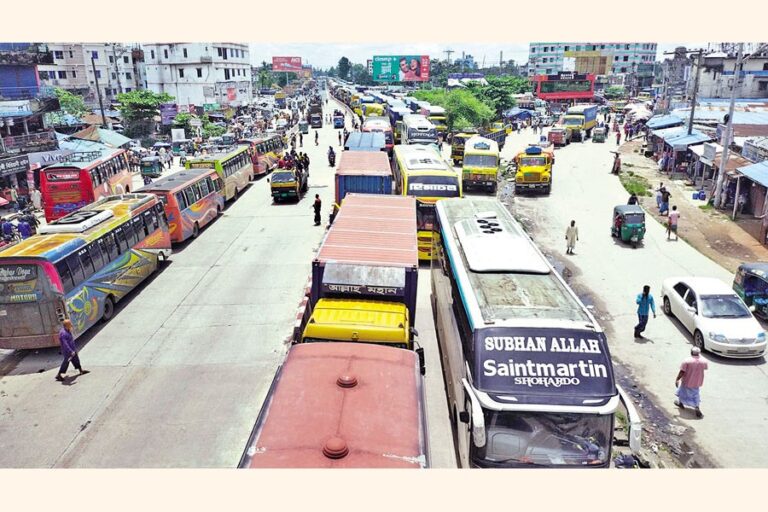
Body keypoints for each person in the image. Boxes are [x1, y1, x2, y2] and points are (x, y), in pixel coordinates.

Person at [675, 347, 708, 418]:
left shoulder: (687, 361)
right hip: (697, 382)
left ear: (691, 352)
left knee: (682, 392)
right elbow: (705, 368)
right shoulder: (704, 361)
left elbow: (682, 371)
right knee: (695, 395)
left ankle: (681, 403)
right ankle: (696, 407)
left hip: (687, 380)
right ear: (699, 353)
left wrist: (677, 379)